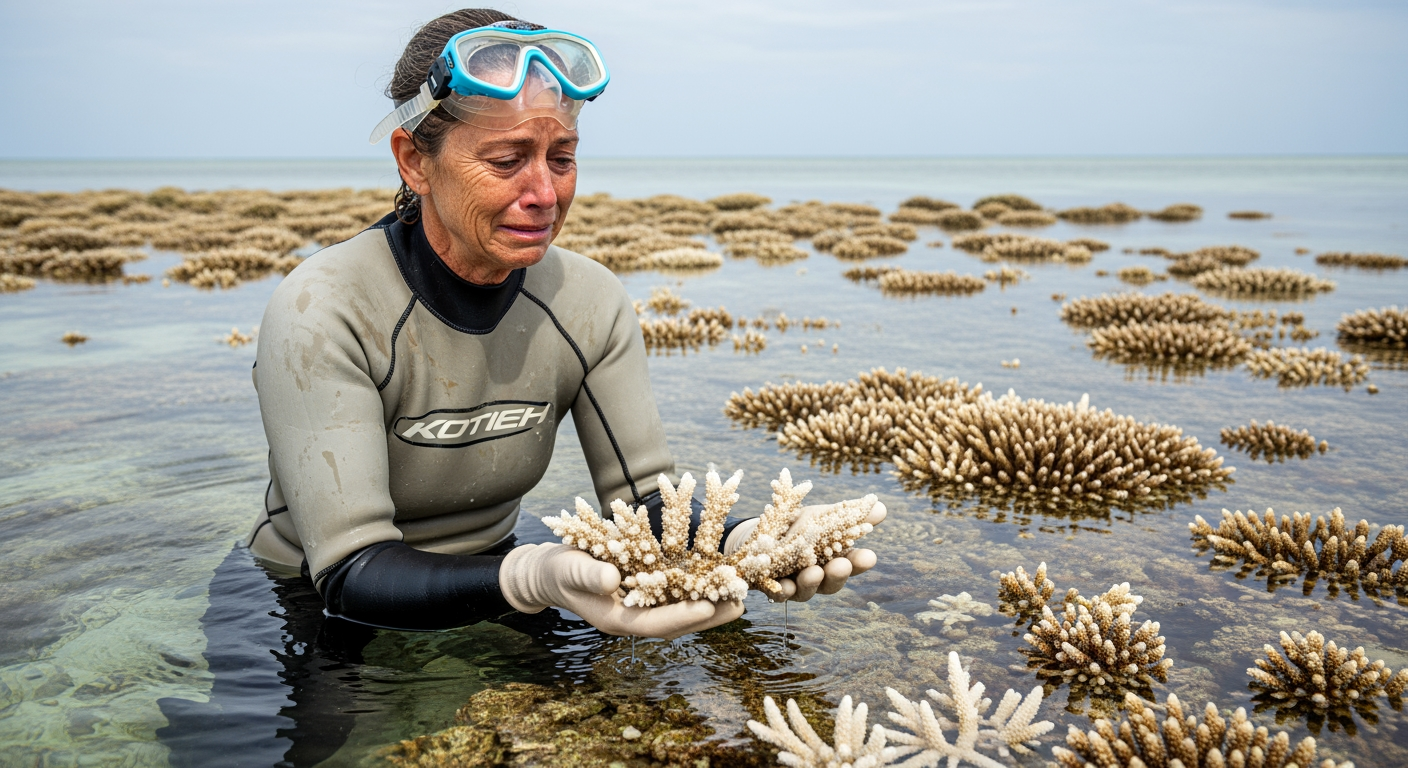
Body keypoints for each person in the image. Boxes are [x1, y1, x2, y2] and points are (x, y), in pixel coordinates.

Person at [243, 8, 886, 641]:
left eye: (561, 157)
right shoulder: (324, 309)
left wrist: (750, 536)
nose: (544, 193)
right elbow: (349, 569)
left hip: (494, 582)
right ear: (414, 161)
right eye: (505, 160)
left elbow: (647, 505)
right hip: (312, 604)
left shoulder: (589, 300)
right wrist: (532, 578)